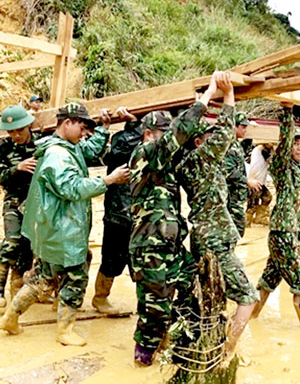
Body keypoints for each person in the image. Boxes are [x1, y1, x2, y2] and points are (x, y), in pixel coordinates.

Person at [0, 102, 129, 347]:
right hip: (63, 230)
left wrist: (103, 128)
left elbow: (89, 149)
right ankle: (65, 330)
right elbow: (72, 188)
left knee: (42, 277)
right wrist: (108, 180)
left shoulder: (65, 146)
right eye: (82, 127)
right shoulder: (58, 156)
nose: (84, 133)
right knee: (75, 278)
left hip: (52, 228)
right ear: (67, 123)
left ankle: (11, 317)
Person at [128, 72, 228, 366]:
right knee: (154, 308)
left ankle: (177, 347)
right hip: (149, 248)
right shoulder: (145, 154)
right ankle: (142, 359)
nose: (172, 142)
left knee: (191, 283)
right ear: (149, 134)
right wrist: (205, 97)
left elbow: (192, 141)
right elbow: (177, 134)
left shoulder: (166, 165)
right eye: (162, 133)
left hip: (169, 247)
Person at [176, 72, 258, 356]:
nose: (215, 140)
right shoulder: (202, 159)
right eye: (207, 137)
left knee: (209, 296)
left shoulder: (189, 163)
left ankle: (200, 345)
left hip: (204, 237)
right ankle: (226, 352)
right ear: (199, 143)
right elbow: (225, 131)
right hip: (215, 240)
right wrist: (228, 94)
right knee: (248, 296)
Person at [251, 107, 300, 327]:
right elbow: (284, 144)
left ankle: (251, 319)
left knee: (268, 280)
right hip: (283, 232)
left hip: (287, 233)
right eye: (297, 144)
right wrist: (287, 114)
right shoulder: (282, 166)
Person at [92, 108, 143, 315]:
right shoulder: (119, 153)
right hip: (118, 216)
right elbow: (127, 144)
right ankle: (100, 298)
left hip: (133, 216)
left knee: (140, 263)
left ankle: (145, 302)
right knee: (111, 260)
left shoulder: (139, 154)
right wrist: (132, 124)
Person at [0, 105, 38, 308]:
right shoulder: (2, 147)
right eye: (11, 131)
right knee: (12, 239)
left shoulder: (42, 143)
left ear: (29, 125)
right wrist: (16, 169)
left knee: (29, 246)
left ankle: (19, 291)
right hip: (14, 200)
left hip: (37, 202)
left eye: (19, 130)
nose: (16, 135)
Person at [224, 112, 261, 238]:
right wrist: (246, 181)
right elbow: (228, 171)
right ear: (234, 126)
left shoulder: (235, 145)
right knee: (235, 229)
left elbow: (244, 149)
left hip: (235, 197)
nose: (245, 130)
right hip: (230, 197)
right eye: (243, 127)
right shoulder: (229, 145)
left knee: (236, 229)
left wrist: (253, 134)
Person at [246, 144, 273, 226]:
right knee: (253, 204)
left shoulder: (258, 149)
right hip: (255, 181)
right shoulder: (262, 150)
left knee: (267, 197)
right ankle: (246, 223)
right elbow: (271, 161)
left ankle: (259, 217)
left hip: (259, 180)